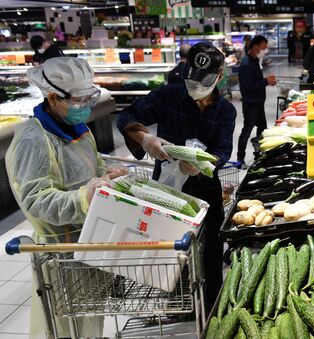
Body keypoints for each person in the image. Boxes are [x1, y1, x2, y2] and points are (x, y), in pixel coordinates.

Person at [6, 57, 128, 338]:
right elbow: (36, 200)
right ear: (52, 97)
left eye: (90, 97)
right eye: (79, 100)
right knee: (63, 327)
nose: (86, 106)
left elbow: (93, 169)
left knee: (88, 322)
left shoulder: (80, 129)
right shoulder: (34, 138)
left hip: (88, 243)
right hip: (59, 254)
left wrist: (107, 177)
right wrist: (84, 197)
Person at [117, 43, 236, 309]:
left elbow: (223, 150)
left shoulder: (226, 110)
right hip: (167, 191)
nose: (195, 87)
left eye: (202, 81)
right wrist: (144, 138)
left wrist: (203, 164)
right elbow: (126, 116)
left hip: (206, 192)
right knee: (173, 252)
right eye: (191, 79)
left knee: (211, 253)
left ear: (219, 76)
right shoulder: (168, 96)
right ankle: (180, 304)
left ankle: (213, 305)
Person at [236, 35, 277, 167]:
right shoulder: (246, 64)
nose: (265, 51)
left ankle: (259, 154)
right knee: (246, 131)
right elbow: (249, 86)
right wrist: (266, 81)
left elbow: (255, 81)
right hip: (251, 104)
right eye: (263, 49)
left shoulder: (254, 61)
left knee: (262, 129)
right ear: (255, 47)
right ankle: (240, 159)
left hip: (258, 103)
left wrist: (265, 81)